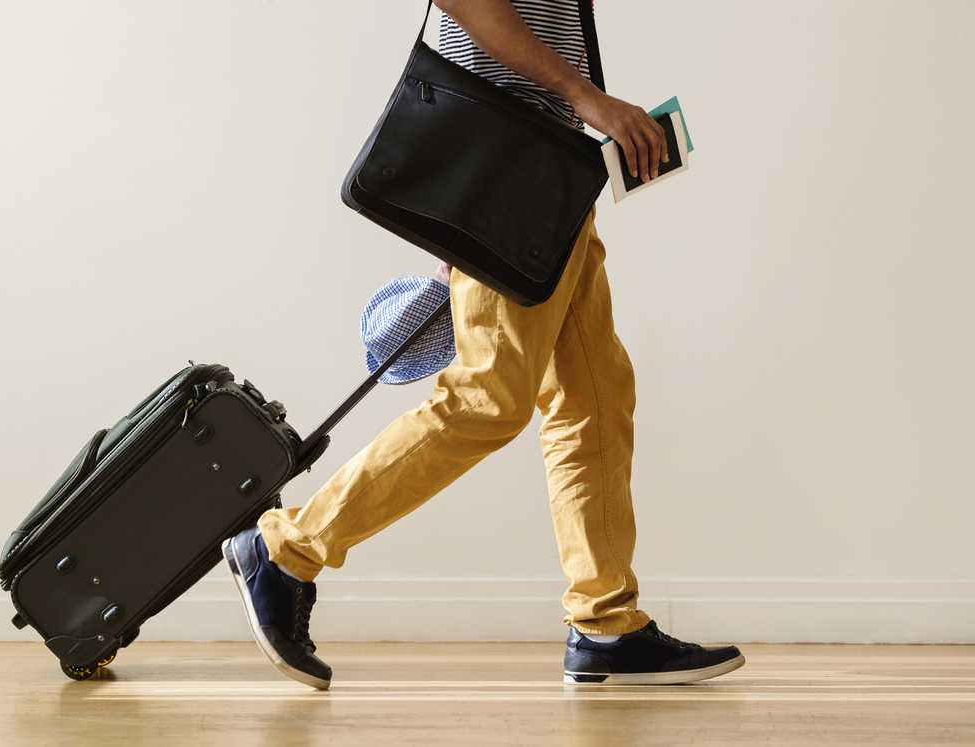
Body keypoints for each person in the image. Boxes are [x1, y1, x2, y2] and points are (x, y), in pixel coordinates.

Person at [222, 0, 745, 691]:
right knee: (488, 398)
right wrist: (588, 99)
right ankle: (284, 548)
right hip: (507, 162)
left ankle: (606, 622)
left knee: (593, 396)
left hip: (542, 163)